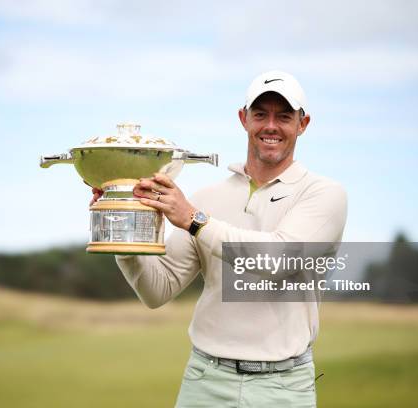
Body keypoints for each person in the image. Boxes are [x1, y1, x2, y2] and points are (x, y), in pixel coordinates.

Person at [91, 70, 347, 407]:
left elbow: (275, 262)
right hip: (205, 381)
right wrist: (126, 227)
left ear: (303, 124)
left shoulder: (324, 195)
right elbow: (158, 289)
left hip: (283, 387)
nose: (271, 126)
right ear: (243, 119)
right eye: (260, 114)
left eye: (284, 116)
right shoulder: (207, 198)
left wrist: (194, 221)